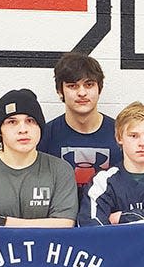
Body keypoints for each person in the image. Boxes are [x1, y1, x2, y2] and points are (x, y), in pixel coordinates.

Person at [0, 88, 78, 227]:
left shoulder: (60, 170)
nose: (23, 129)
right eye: (12, 122)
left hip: (45, 249)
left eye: (30, 121)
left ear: (40, 127)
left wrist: (1, 221)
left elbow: (64, 226)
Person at [38, 52, 122, 200]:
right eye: (73, 86)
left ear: (99, 89)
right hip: (59, 219)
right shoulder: (43, 136)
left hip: (107, 220)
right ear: (60, 91)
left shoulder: (122, 134)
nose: (82, 92)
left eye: (89, 84)